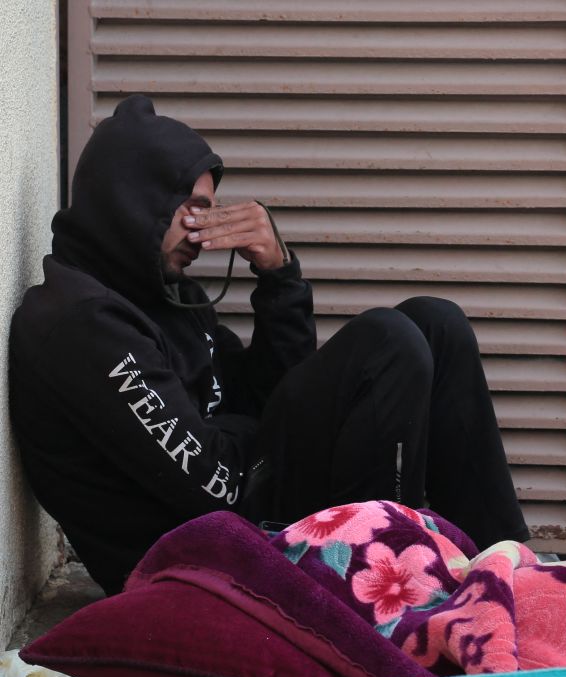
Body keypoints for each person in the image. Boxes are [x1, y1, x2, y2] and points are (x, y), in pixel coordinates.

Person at [9, 95, 528, 595]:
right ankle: (386, 583)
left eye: (208, 212)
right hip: (191, 559)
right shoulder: (83, 325)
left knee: (435, 321)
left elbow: (270, 393)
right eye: (188, 209)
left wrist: (279, 276)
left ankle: (504, 566)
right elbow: (215, 483)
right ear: (133, 200)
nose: (200, 232)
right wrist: (260, 428)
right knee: (385, 342)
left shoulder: (166, 299)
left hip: (240, 506)